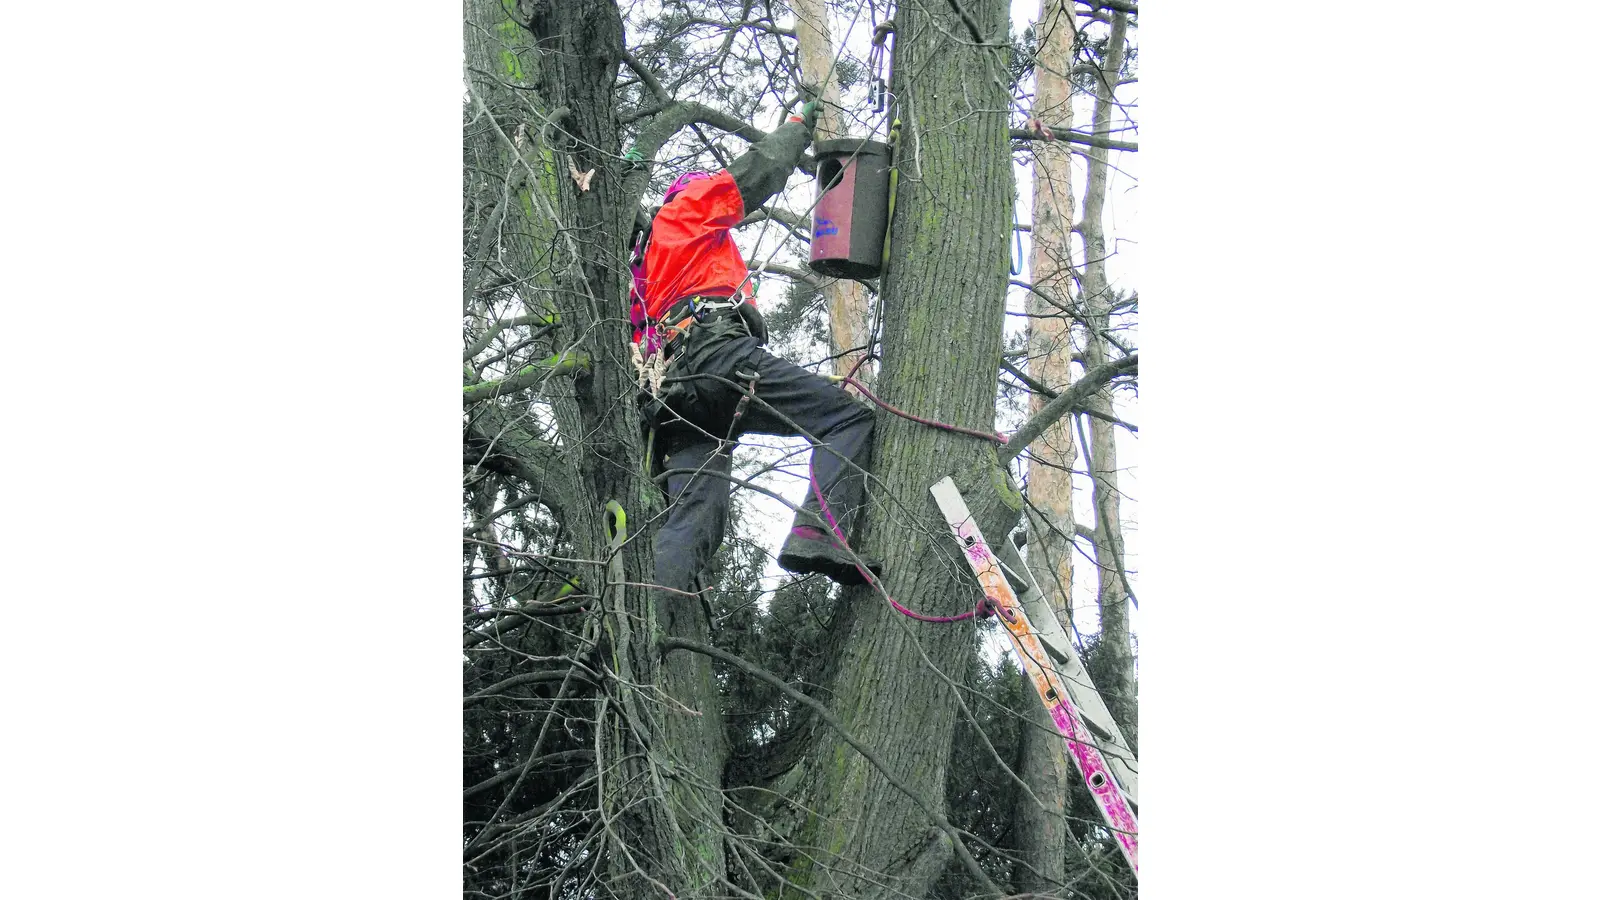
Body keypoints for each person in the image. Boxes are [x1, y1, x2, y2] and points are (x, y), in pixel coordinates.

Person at [629, 101, 883, 601]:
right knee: (847, 420)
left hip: (677, 397)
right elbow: (754, 174)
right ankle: (817, 535)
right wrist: (796, 130)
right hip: (716, 358)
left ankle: (642, 620)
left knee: (695, 521)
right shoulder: (684, 211)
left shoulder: (642, 271)